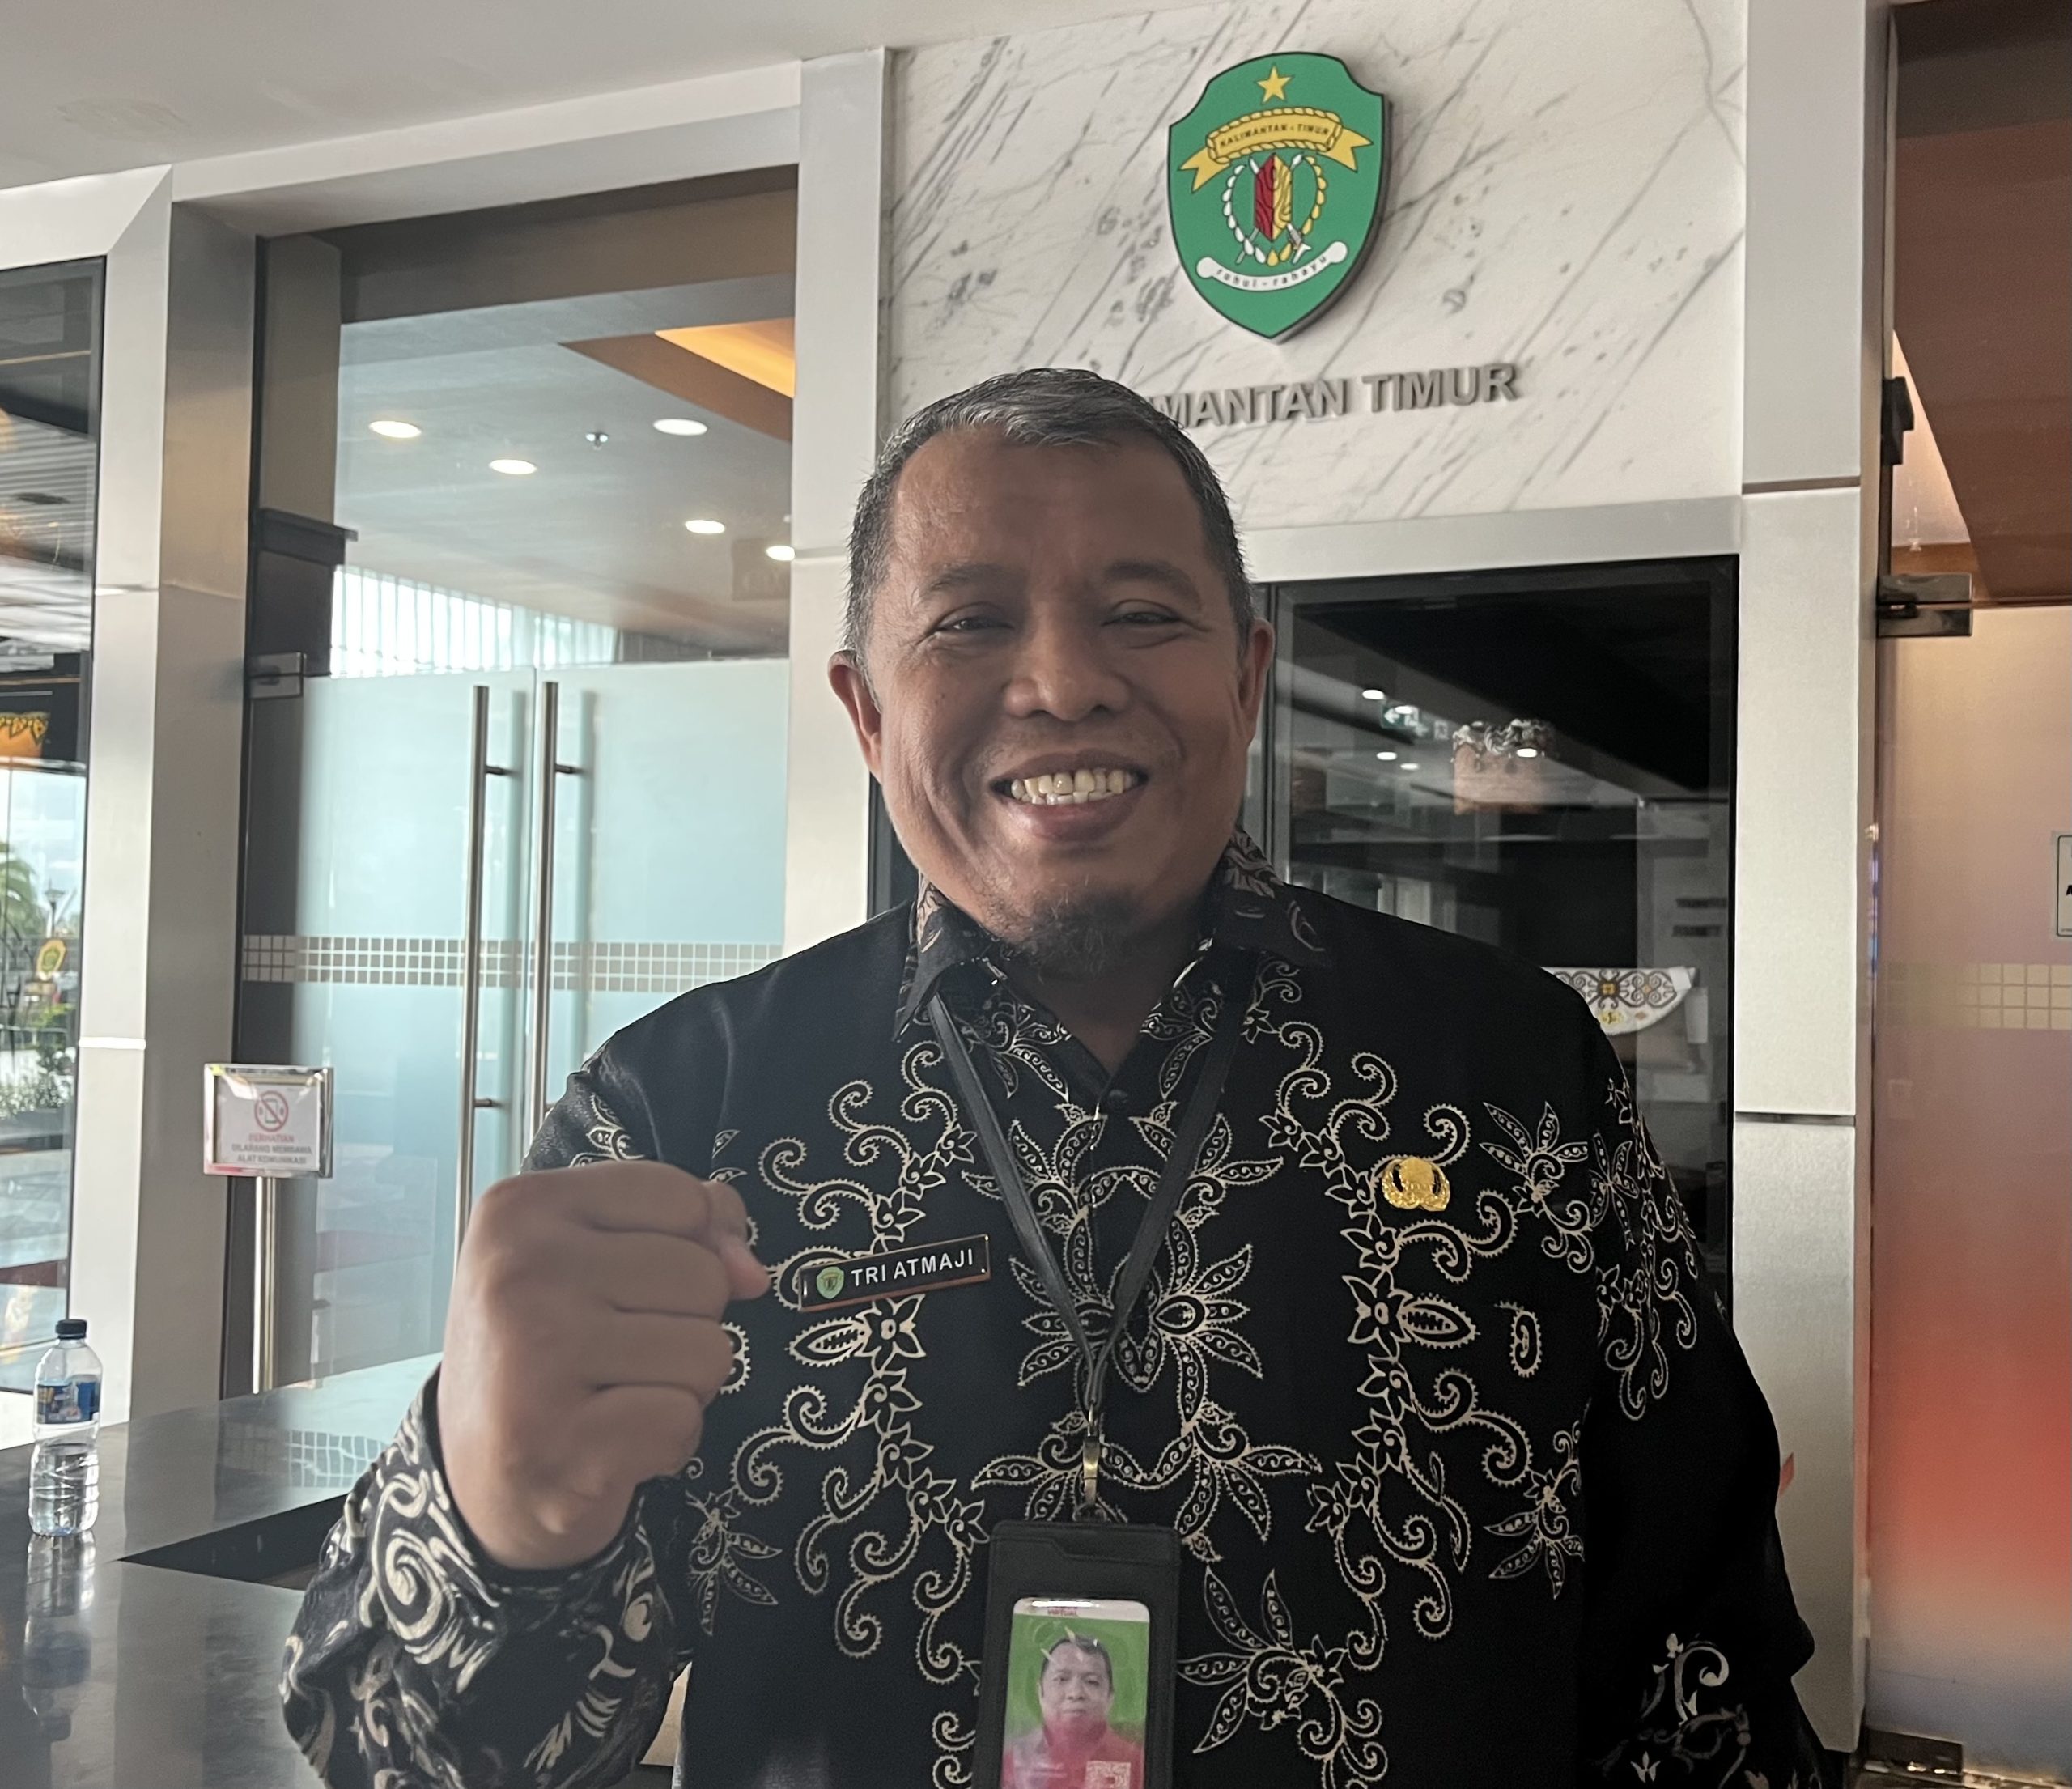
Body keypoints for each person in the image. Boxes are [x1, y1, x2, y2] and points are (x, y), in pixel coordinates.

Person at [281, 368, 1832, 1788]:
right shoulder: (684, 1120)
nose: (1065, 683)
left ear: (1247, 675)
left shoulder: (1515, 1078)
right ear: (866, 711)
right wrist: (502, 1523)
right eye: (968, 623)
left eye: (1144, 614)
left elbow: (1706, 1687)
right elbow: (396, 1753)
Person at [1003, 1634, 1144, 1789]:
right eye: (1061, 1679)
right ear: (1040, 1691)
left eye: (1092, 1681)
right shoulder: (1014, 1763)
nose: (1075, 1693)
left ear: (1110, 1696)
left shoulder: (1137, 1763)